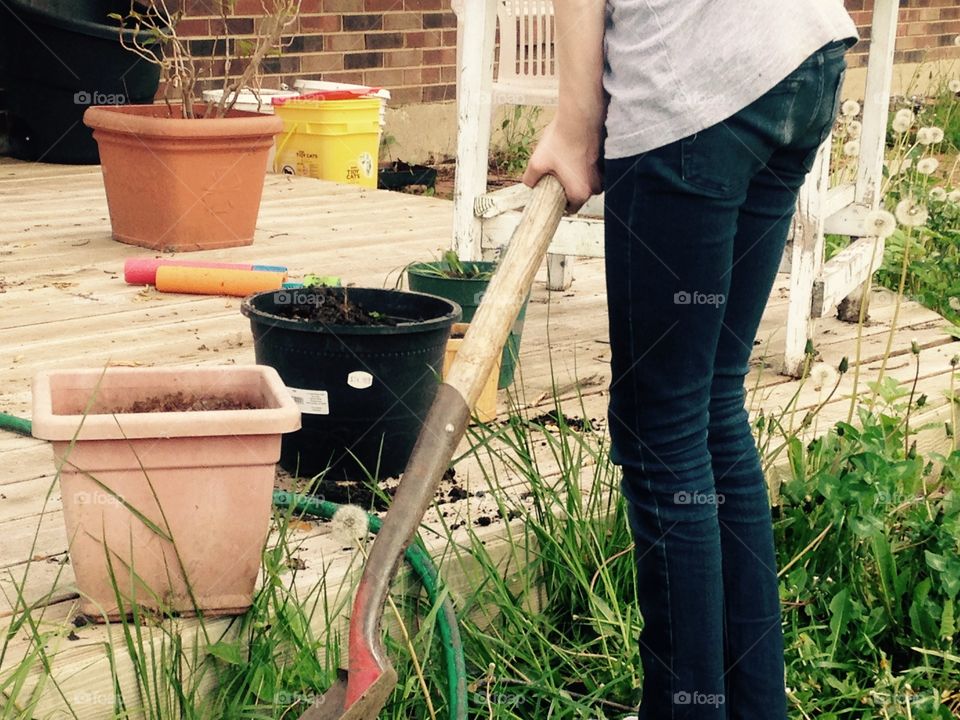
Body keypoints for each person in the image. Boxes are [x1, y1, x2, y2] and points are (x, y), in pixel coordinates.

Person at [522, 2, 858, 718]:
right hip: (800, 56)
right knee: (707, 403)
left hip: (698, 89)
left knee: (662, 426)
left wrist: (577, 125)